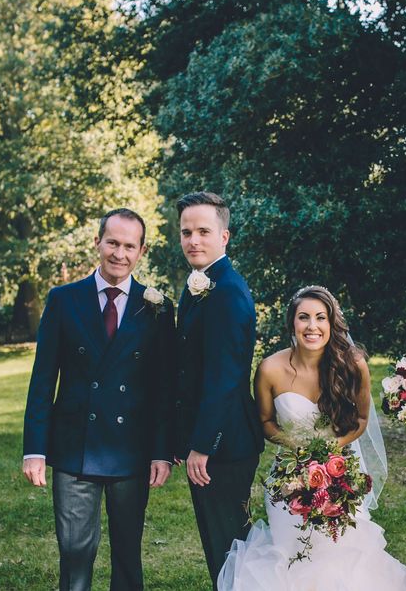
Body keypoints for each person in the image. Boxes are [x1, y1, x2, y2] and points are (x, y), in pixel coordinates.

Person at [217, 285, 406, 591]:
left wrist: (332, 450)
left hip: (341, 475)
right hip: (289, 480)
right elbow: (266, 422)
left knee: (342, 558)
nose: (312, 326)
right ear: (291, 323)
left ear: (331, 322)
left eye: (321, 317)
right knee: (293, 557)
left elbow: (361, 419)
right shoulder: (270, 369)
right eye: (304, 317)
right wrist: (297, 448)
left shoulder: (353, 364)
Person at [22, 208, 175, 591]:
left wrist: (161, 451)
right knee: (75, 553)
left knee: (127, 554)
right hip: (74, 448)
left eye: (128, 246)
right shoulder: (63, 299)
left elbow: (163, 390)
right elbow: (43, 380)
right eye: (112, 243)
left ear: (141, 251)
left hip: (131, 450)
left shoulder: (156, 307)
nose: (119, 254)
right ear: (97, 243)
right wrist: (34, 449)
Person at [172, 192, 265, 591]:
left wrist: (203, 444)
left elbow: (224, 378)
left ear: (224, 236)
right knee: (224, 549)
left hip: (224, 445)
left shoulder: (226, 292)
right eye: (186, 232)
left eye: (203, 231)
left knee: (229, 548)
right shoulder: (201, 285)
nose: (193, 240)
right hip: (216, 439)